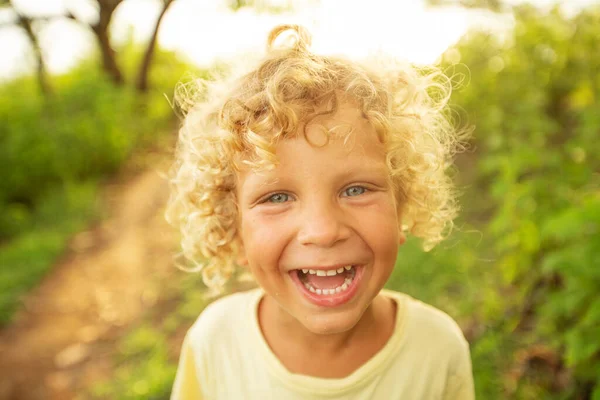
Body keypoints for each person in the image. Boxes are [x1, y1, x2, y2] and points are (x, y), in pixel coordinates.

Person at [166, 24, 475, 400]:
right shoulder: (215, 344)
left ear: (402, 206)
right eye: (277, 198)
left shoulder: (438, 351)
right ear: (233, 229)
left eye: (356, 189)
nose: (323, 230)